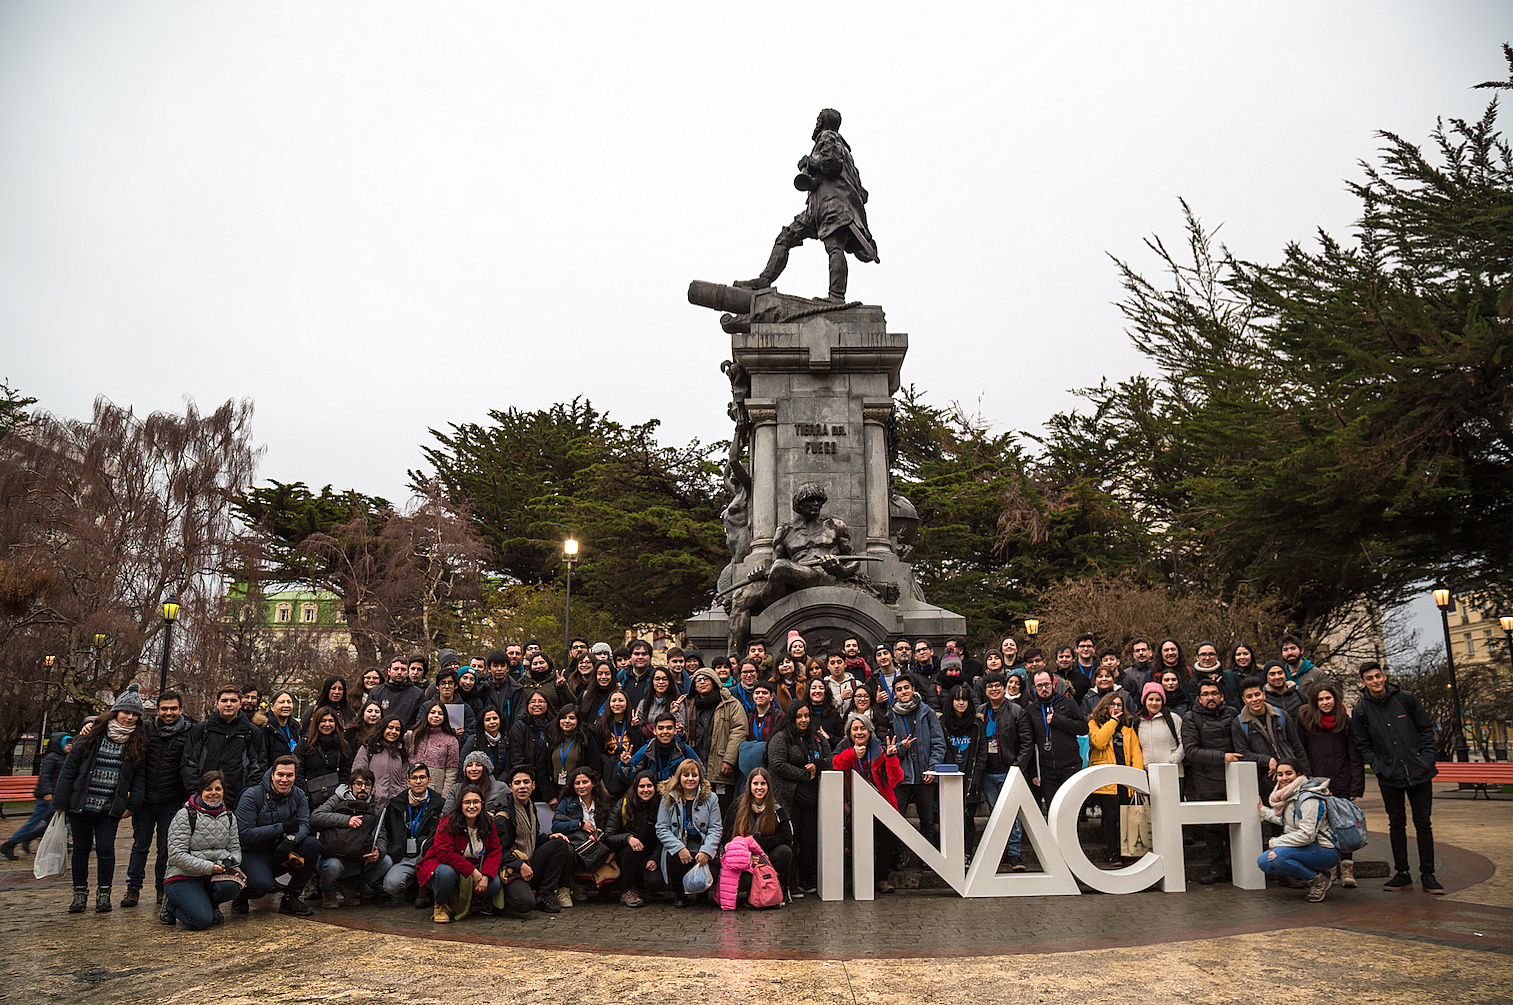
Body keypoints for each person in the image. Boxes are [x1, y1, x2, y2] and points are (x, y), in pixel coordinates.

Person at [54, 685, 148, 913]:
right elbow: (69, 769)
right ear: (116, 712)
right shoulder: (91, 735)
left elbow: (138, 777)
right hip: (81, 805)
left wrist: (132, 805)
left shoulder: (137, 741)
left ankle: (104, 893)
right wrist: (60, 802)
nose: (130, 717)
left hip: (108, 808)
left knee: (106, 850)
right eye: (126, 712)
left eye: (135, 714)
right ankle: (79, 893)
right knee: (80, 850)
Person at [1351, 661, 1441, 894]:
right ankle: (1402, 873)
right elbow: (1362, 744)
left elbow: (1425, 729)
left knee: (1423, 824)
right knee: (1396, 824)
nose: (1375, 681)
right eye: (1369, 678)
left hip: (1419, 772)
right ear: (1363, 682)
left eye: (1378, 676)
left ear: (1384, 676)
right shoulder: (1361, 710)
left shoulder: (1406, 698)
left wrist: (1427, 758)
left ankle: (1428, 874)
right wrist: (1379, 766)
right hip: (1389, 775)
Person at [123, 689, 192, 908]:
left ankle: (162, 888)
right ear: (157, 710)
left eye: (173, 709)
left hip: (172, 801)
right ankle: (133, 888)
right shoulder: (145, 729)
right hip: (145, 801)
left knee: (167, 849)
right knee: (140, 846)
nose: (169, 713)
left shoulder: (191, 731)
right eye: (164, 709)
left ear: (181, 709)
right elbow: (116, 724)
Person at [1298, 682, 1365, 888]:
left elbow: (1354, 755)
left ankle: (1347, 868)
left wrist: (1356, 785)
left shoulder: (1345, 721)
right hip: (1316, 783)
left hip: (1341, 780)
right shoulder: (1306, 721)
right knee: (1320, 827)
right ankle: (1329, 866)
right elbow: (1300, 751)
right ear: (1314, 702)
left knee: (1344, 825)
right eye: (1321, 699)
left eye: (1328, 698)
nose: (1325, 703)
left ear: (1335, 699)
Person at [232, 755, 318, 916]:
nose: (284, 780)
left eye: (289, 775)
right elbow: (243, 834)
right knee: (260, 886)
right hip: (253, 852)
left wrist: (291, 839)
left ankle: (291, 898)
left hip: (281, 850)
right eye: (280, 774)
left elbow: (305, 824)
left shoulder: (298, 795)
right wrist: (281, 828)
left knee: (312, 845)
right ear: (272, 774)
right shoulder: (251, 795)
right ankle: (241, 895)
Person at [829, 715, 903, 894]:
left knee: (885, 840)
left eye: (863, 728)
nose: (859, 732)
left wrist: (892, 758)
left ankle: (881, 879)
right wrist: (852, 754)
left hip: (881, 802)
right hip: (852, 806)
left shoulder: (880, 750)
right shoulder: (842, 747)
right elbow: (833, 765)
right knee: (857, 843)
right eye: (855, 729)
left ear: (869, 732)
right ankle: (859, 880)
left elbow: (896, 779)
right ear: (849, 733)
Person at [160, 771, 242, 930]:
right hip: (183, 875)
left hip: (213, 874)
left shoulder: (230, 816)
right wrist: (209, 867)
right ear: (200, 791)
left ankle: (209, 905)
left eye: (218, 789)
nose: (213, 793)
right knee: (200, 921)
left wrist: (231, 861)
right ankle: (172, 905)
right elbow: (176, 856)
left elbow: (235, 849)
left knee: (232, 886)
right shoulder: (185, 815)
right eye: (208, 789)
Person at [1183, 679, 1246, 884]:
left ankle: (1240, 866)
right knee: (1213, 827)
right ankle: (1217, 866)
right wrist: (1222, 757)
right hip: (1207, 778)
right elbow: (1191, 751)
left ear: (1222, 696)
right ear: (1199, 699)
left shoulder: (1234, 714)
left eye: (1214, 693)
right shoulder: (1191, 718)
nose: (1210, 697)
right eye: (1206, 694)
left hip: (1235, 777)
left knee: (1237, 825)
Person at [765, 702, 830, 894]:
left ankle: (807, 880)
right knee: (790, 841)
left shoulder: (816, 737)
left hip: (811, 799)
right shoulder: (781, 737)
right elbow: (776, 764)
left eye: (807, 716)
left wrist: (817, 766)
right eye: (799, 716)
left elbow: (829, 757)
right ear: (792, 718)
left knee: (809, 841)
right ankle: (789, 884)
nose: (804, 720)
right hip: (787, 799)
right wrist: (804, 774)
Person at [1256, 758, 1341, 902]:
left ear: (1299, 774)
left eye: (1289, 773)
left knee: (1277, 856)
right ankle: (1317, 874)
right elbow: (1288, 821)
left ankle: (1318, 880)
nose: (1284, 778)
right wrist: (1263, 811)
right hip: (1307, 847)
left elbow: (1307, 835)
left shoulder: (1309, 799)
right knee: (1264, 862)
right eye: (1280, 774)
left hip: (1326, 850)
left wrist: (1276, 841)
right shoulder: (1290, 795)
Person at [494, 766, 574, 916]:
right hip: (511, 868)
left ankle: (544, 894)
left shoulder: (530, 806)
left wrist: (549, 838)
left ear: (533, 785)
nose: (522, 786)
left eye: (526, 782)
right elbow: (498, 852)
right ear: (511, 787)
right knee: (525, 904)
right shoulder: (503, 815)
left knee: (560, 844)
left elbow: (532, 838)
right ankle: (498, 901)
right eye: (517, 783)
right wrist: (519, 865)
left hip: (529, 860)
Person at [417, 783, 503, 923]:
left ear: (482, 804)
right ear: (460, 804)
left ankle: (469, 903)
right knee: (446, 873)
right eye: (467, 802)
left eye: (476, 802)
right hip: (443, 866)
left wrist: (486, 875)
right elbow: (443, 853)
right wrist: (473, 872)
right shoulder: (448, 821)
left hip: (476, 867)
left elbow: (495, 850)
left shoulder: (488, 821)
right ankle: (441, 905)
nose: (471, 806)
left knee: (494, 885)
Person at [885, 675, 946, 860]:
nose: (904, 692)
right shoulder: (890, 714)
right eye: (899, 689)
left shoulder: (926, 712)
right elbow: (886, 748)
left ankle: (929, 858)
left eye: (906, 688)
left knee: (928, 819)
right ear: (894, 693)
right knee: (897, 818)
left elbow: (938, 742)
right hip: (900, 776)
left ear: (913, 689)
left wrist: (933, 767)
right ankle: (900, 856)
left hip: (924, 775)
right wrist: (902, 748)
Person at [977, 672, 1034, 871]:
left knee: (1012, 813)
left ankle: (1015, 854)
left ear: (1004, 688)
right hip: (987, 772)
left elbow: (1027, 743)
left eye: (997, 686)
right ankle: (998, 851)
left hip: (1009, 770)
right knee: (995, 813)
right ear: (985, 691)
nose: (994, 689)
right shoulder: (980, 712)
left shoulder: (1017, 711)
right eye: (990, 686)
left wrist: (1017, 766)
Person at [310, 768, 388, 909]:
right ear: (351, 786)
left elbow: (381, 836)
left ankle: (350, 888)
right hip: (333, 856)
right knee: (333, 867)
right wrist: (346, 820)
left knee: (386, 862)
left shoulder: (376, 808)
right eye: (358, 784)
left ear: (372, 788)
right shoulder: (337, 799)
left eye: (367, 785)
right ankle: (328, 892)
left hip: (357, 859)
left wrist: (379, 851)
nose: (363, 788)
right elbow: (316, 817)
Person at [720, 767, 795, 903]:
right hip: (742, 858)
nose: (759, 788)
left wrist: (757, 846)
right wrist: (747, 856)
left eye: (763, 784)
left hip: (765, 857)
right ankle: (751, 893)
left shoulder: (776, 809)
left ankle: (773, 889)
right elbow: (726, 836)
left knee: (785, 852)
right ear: (749, 786)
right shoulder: (737, 806)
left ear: (768, 786)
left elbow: (786, 837)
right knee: (744, 883)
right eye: (755, 784)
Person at [1236, 676, 1312, 811]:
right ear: (1244, 700)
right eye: (1249, 696)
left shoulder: (1281, 715)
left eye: (1257, 694)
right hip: (1265, 779)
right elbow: (1243, 753)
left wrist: (1306, 774)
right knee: (1272, 816)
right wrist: (1266, 760)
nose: (1255, 699)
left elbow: (1296, 745)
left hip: (1291, 776)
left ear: (1264, 694)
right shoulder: (1240, 723)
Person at [180, 685, 263, 808]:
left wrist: (246, 795)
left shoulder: (251, 732)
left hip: (238, 801)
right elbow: (188, 763)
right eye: (224, 700)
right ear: (217, 704)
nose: (229, 704)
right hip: (204, 799)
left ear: (240, 704)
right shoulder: (203, 729)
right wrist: (197, 792)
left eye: (233, 701)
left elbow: (259, 767)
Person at [655, 758, 723, 908]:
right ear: (679, 777)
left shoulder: (711, 798)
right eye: (686, 775)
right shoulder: (668, 797)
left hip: (701, 842)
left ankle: (702, 892)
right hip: (678, 842)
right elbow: (661, 828)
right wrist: (679, 848)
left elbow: (716, 828)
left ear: (700, 777)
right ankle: (680, 894)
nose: (690, 779)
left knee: (710, 859)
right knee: (674, 857)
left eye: (694, 775)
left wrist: (707, 851)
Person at [1087, 692, 1145, 865]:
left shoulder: (1128, 727)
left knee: (1127, 817)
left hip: (1125, 780)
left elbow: (1136, 753)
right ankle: (1113, 853)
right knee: (1110, 818)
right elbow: (1099, 742)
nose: (1116, 708)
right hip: (1106, 780)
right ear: (1105, 706)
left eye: (1119, 705)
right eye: (1112, 704)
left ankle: (1129, 852)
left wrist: (1137, 780)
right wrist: (1112, 722)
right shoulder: (1094, 723)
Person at [378, 763, 445, 908]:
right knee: (391, 886)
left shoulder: (439, 804)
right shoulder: (396, 804)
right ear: (408, 781)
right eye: (414, 778)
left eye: (422, 777)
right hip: (403, 856)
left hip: (427, 856)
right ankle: (412, 885)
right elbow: (388, 831)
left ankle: (424, 888)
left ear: (429, 779)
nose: (418, 781)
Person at [684, 667, 749, 811]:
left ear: (714, 682)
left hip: (721, 768)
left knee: (722, 810)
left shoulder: (730, 704)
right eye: (698, 680)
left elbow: (739, 730)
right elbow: (686, 736)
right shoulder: (690, 707)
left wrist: (729, 759)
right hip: (696, 767)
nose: (702, 682)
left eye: (706, 679)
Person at [1, 732, 71, 862]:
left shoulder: (64, 758)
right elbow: (44, 776)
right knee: (35, 823)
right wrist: (46, 792)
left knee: (58, 823)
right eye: (66, 743)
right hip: (47, 798)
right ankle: (10, 844)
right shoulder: (52, 757)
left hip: (55, 796)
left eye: (70, 743)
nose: (69, 746)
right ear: (59, 744)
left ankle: (31, 838)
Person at [551, 765, 613, 906]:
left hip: (596, 844)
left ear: (593, 783)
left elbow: (610, 828)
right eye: (577, 783)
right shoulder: (567, 802)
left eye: (585, 782)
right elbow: (555, 826)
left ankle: (589, 887)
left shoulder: (603, 803)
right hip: (576, 844)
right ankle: (565, 888)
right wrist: (578, 824)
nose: (581, 786)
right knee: (567, 851)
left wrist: (598, 836)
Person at [1027, 668, 1087, 812]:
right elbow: (1029, 743)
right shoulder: (1031, 711)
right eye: (1039, 686)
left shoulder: (1068, 703)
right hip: (1047, 770)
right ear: (1034, 688)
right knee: (1053, 810)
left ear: (1053, 685)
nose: (1044, 689)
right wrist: (1034, 773)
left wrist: (1058, 720)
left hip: (1070, 766)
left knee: (1072, 811)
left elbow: (1083, 727)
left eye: (1046, 684)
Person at [937, 686, 985, 856]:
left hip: (970, 779)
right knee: (948, 819)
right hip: (948, 778)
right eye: (957, 699)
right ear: (951, 701)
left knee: (968, 820)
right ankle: (949, 855)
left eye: (964, 699)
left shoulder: (977, 724)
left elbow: (981, 754)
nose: (961, 703)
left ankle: (966, 854)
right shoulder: (942, 723)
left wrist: (976, 777)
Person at [605, 770, 664, 907]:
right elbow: (609, 836)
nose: (646, 790)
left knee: (655, 882)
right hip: (625, 855)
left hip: (648, 854)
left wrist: (654, 858)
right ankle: (627, 891)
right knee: (631, 852)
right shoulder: (623, 804)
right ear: (635, 788)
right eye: (641, 786)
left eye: (649, 786)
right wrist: (628, 838)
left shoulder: (660, 806)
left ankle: (642, 888)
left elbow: (662, 837)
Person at [618, 713, 703, 786]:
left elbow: (701, 772)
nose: (665, 731)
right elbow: (629, 780)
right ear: (654, 731)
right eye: (661, 728)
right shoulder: (646, 750)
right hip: (652, 797)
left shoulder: (684, 750)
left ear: (675, 731)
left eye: (669, 728)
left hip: (678, 797)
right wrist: (625, 765)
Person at [297, 708, 349, 811]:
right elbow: (298, 772)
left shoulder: (343, 745)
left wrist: (337, 796)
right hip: (309, 799)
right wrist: (306, 796)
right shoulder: (305, 744)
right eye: (323, 721)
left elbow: (346, 772)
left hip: (336, 800)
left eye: (330, 721)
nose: (327, 724)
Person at [1134, 682, 1184, 784]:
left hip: (1173, 772)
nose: (1154, 703)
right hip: (1148, 774)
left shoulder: (1173, 718)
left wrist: (1173, 761)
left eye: (1158, 700)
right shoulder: (1138, 722)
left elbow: (1184, 743)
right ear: (1144, 701)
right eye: (1150, 699)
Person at [354, 715, 410, 804]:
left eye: (397, 729)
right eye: (390, 728)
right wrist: (372, 793)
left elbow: (404, 779)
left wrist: (400, 794)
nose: (393, 732)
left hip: (395, 804)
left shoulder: (401, 752)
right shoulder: (368, 748)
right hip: (372, 803)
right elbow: (358, 773)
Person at [541, 704, 589, 806]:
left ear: (578, 720)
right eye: (563, 718)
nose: (567, 721)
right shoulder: (551, 740)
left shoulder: (585, 740)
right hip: (555, 793)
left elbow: (593, 768)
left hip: (579, 793)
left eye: (571, 718)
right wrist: (550, 796)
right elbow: (542, 769)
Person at [510, 689, 554, 789]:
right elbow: (516, 758)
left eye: (541, 701)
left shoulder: (553, 726)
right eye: (532, 702)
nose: (536, 704)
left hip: (549, 781)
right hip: (527, 781)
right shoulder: (519, 727)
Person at [595, 688, 636, 798]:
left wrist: (636, 729)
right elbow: (598, 751)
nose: (617, 704)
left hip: (628, 769)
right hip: (607, 772)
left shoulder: (632, 723)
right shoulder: (601, 725)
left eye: (621, 701)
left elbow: (637, 748)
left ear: (627, 703)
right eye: (614, 701)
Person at [371, 656, 424, 728]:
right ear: (389, 671)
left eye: (403, 670)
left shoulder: (418, 695)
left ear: (408, 672)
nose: (399, 672)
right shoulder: (376, 692)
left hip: (406, 736)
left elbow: (421, 720)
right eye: (396, 669)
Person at [634, 666, 684, 740]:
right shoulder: (644, 702)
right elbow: (639, 725)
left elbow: (681, 731)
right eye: (657, 679)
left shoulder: (676, 702)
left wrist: (674, 713)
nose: (661, 682)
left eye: (665, 679)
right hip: (647, 743)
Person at [260, 692, 301, 770]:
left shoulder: (295, 727)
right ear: (272, 706)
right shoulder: (264, 727)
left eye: (289, 702)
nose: (286, 705)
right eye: (281, 702)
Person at [805, 676, 845, 744]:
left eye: (821, 688)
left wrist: (828, 737)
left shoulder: (834, 714)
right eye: (813, 688)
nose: (817, 691)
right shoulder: (803, 714)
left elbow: (842, 740)